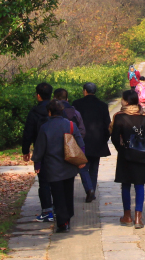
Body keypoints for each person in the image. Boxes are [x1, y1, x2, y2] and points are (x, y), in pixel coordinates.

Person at [33, 100, 86, 233]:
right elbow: (81, 143)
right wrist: (81, 159)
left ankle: (62, 223)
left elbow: (40, 147)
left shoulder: (45, 127)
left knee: (57, 194)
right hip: (69, 165)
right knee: (68, 192)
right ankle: (68, 217)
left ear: (49, 112)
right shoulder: (70, 125)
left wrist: (37, 163)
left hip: (52, 165)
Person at [110, 89, 145, 229]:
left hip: (126, 155)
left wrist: (122, 150)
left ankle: (127, 216)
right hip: (142, 154)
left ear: (126, 101)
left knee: (126, 184)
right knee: (139, 185)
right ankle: (138, 217)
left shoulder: (119, 117)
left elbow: (114, 137)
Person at [52, 88, 95, 200]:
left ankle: (61, 197)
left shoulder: (53, 112)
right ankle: (89, 189)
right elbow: (82, 129)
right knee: (82, 168)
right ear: (67, 99)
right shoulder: (75, 112)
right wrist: (77, 143)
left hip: (57, 146)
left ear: (54, 98)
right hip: (73, 144)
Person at [73, 82, 112, 203]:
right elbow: (108, 125)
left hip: (82, 141)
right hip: (98, 141)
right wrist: (104, 138)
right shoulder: (102, 105)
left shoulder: (77, 104)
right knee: (94, 168)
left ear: (84, 91)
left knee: (83, 167)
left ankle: (89, 190)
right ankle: (92, 191)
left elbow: (74, 124)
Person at [22, 82, 55, 222]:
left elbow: (28, 132)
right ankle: (58, 208)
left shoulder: (34, 112)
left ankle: (47, 210)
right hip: (57, 149)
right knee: (57, 180)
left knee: (44, 181)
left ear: (38, 96)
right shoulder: (57, 110)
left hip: (40, 151)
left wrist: (25, 150)